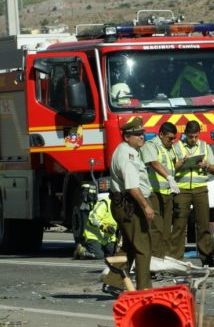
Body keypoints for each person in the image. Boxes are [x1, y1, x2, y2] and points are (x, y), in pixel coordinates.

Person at [106, 117, 160, 291]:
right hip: (131, 205)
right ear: (127, 137)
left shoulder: (128, 151)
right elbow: (132, 187)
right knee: (143, 246)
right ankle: (144, 288)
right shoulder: (127, 155)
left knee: (130, 245)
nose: (141, 137)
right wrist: (146, 206)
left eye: (142, 134)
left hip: (126, 203)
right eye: (137, 135)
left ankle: (114, 282)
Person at [172, 120, 214, 266]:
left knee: (203, 224)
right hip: (182, 189)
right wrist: (181, 162)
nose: (193, 140)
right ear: (185, 134)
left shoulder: (204, 146)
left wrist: (206, 165)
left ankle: (207, 258)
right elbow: (169, 167)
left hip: (200, 189)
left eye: (196, 136)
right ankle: (176, 260)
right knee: (179, 225)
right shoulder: (176, 147)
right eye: (191, 136)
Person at [141, 121, 180, 259]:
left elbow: (174, 164)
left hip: (167, 193)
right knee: (156, 229)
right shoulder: (151, 145)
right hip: (154, 193)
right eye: (170, 138)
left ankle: (163, 259)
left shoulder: (169, 148)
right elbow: (154, 163)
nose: (172, 141)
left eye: (174, 138)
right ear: (161, 134)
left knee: (165, 230)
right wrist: (169, 177)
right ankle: (154, 260)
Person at [74, 192, 118, 260]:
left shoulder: (120, 206)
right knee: (99, 255)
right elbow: (93, 218)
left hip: (108, 237)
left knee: (113, 253)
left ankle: (101, 248)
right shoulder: (105, 203)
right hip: (94, 235)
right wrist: (103, 227)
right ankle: (81, 251)